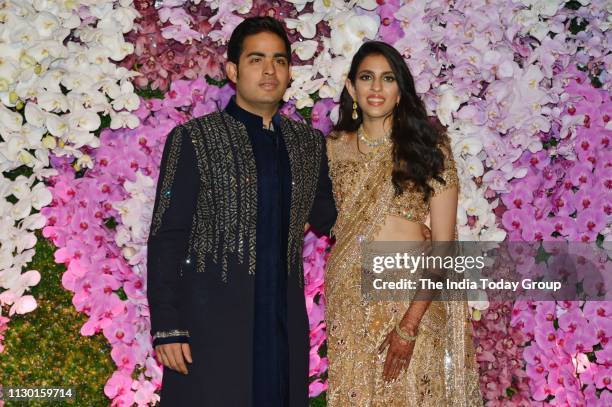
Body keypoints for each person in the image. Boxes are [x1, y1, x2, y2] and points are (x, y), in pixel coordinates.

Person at [146, 17, 336, 406]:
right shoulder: (195, 138)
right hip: (210, 324)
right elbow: (167, 235)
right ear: (233, 70)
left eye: (279, 61)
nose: (270, 70)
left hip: (282, 325)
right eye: (256, 59)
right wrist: (167, 325)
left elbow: (332, 217)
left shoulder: (307, 144)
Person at [324, 41, 483, 406]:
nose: (376, 88)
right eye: (367, 78)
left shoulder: (429, 147)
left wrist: (410, 323)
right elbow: (315, 213)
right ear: (351, 87)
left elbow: (443, 246)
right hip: (350, 299)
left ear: (401, 91)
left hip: (412, 298)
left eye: (388, 78)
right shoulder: (332, 148)